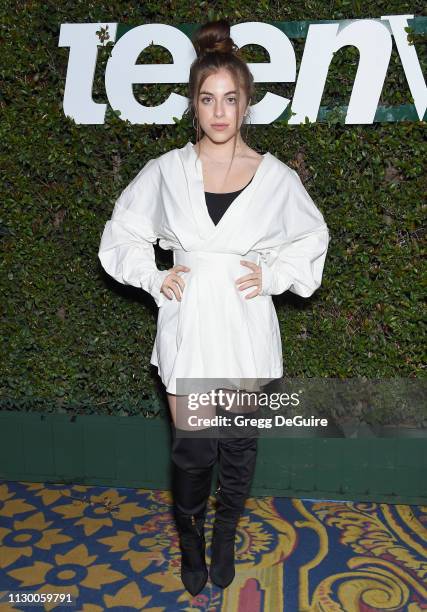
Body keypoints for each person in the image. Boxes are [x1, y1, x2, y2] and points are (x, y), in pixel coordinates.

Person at [98, 19, 330, 596]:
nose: (219, 111)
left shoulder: (275, 178)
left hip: (245, 327)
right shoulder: (166, 172)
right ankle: (191, 537)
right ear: (194, 107)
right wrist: (152, 276)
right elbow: (121, 232)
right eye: (208, 99)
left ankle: (225, 536)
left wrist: (273, 273)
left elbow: (312, 238)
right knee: (195, 450)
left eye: (230, 99)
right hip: (190, 328)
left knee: (238, 449)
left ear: (246, 104)